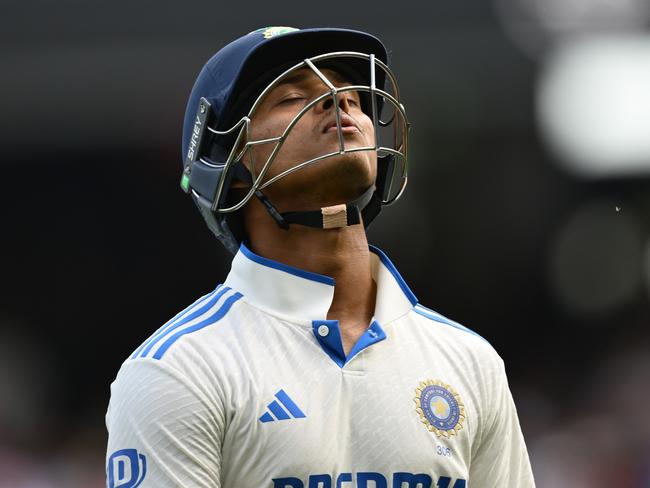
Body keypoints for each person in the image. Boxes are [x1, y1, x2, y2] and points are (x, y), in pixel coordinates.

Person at [105, 26, 536, 488]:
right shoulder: (177, 369)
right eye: (292, 97)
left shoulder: (471, 362)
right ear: (227, 166)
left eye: (350, 95)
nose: (338, 102)